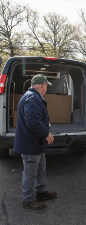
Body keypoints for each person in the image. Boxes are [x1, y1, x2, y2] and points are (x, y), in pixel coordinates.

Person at [14, 74, 57, 210]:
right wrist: (46, 133)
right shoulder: (32, 98)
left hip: (36, 143)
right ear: (43, 85)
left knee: (40, 169)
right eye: (46, 86)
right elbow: (32, 122)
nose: (46, 89)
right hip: (30, 144)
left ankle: (41, 192)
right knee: (30, 173)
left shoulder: (33, 97)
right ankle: (28, 200)